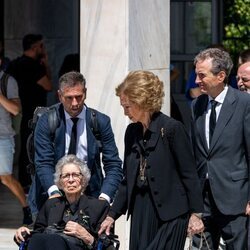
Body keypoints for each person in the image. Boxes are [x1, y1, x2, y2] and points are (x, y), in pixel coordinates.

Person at [98, 70, 204, 249]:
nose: (125, 113)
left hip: (171, 215)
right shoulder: (131, 132)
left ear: (142, 101)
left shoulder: (172, 129)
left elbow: (189, 174)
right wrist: (112, 215)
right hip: (141, 211)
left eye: (128, 106)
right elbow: (127, 179)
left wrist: (196, 214)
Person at [29, 71, 122, 214]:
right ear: (60, 96)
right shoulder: (47, 121)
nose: (75, 103)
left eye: (79, 97)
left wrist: (104, 198)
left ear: (85, 93)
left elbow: (113, 164)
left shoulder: (101, 122)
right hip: (51, 194)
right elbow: (43, 162)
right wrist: (54, 194)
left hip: (90, 195)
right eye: (69, 98)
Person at [190, 48, 250, 249]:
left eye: (201, 75)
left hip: (235, 199)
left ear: (221, 76)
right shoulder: (196, 105)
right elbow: (196, 154)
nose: (197, 81)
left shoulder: (244, 103)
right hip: (203, 201)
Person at [15, 154, 110, 250]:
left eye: (76, 175)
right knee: (38, 239)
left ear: (83, 179)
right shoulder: (51, 204)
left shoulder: (99, 207)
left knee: (54, 240)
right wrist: (24, 233)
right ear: (60, 182)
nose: (71, 180)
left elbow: (108, 246)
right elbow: (38, 234)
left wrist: (87, 237)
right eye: (66, 176)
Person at [6, 34, 53, 190]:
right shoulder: (34, 66)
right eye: (41, 46)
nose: (43, 49)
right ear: (34, 48)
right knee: (35, 146)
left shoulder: (14, 65)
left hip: (16, 112)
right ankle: (30, 182)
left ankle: (24, 181)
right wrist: (46, 65)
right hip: (34, 112)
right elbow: (48, 85)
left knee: (23, 147)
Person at [0, 55, 32, 225]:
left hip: (2, 137)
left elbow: (15, 109)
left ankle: (26, 207)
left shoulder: (7, 81)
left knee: (6, 177)